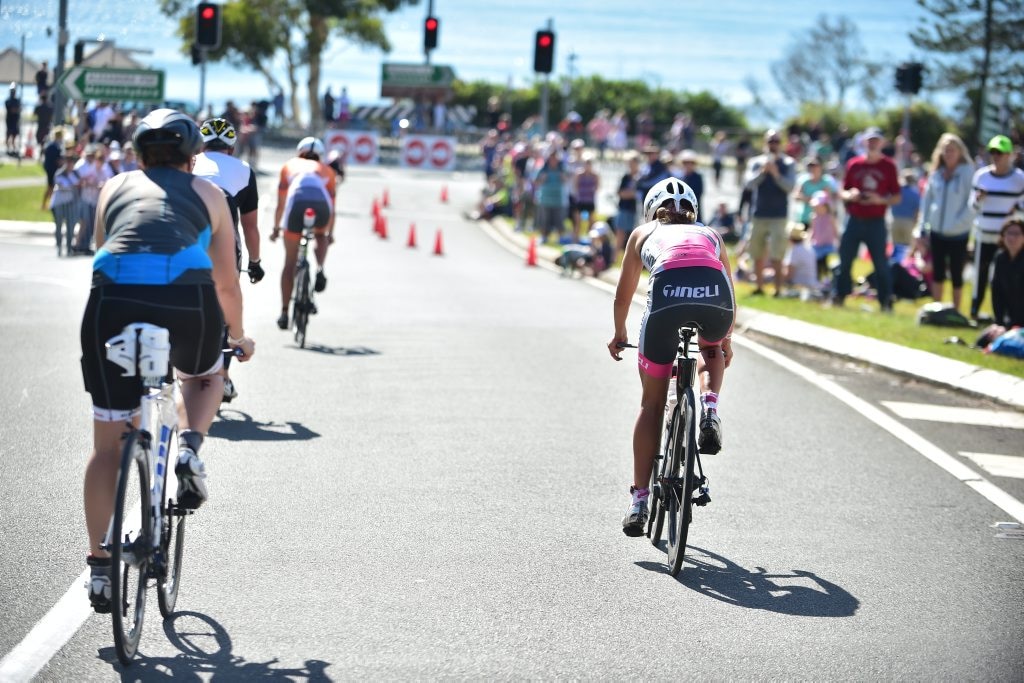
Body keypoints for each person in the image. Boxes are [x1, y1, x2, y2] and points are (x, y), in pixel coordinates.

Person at [80, 109, 255, 612]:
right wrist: (239, 338)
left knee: (107, 444)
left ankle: (98, 569)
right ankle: (188, 449)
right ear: (193, 155)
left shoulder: (114, 187)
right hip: (186, 301)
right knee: (203, 377)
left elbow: (103, 252)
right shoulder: (210, 195)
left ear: (138, 154)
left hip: (112, 304)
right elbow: (226, 283)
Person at [608, 178, 736, 536]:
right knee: (710, 349)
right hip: (716, 300)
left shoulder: (642, 233)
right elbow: (730, 287)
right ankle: (710, 408)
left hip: (667, 304)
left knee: (651, 405)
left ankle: (639, 501)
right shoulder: (711, 234)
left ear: (652, 210)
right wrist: (726, 339)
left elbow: (623, 296)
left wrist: (620, 334)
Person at [194, 117, 264, 402]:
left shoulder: (190, 163)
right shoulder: (244, 170)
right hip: (223, 239)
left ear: (202, 145)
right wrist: (256, 262)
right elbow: (250, 226)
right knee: (226, 301)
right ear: (232, 149)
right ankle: (222, 375)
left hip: (186, 236)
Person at [271, 137, 337, 330]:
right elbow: (333, 207)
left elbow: (282, 204)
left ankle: (284, 313)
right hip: (322, 206)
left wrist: (276, 229)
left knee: (290, 263)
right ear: (321, 155)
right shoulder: (328, 171)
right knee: (319, 235)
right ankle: (320, 269)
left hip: (296, 205)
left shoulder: (289, 165)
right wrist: (329, 233)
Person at [835, 127, 901, 311]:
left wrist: (880, 199)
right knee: (845, 259)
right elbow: (842, 191)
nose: (872, 144)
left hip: (876, 221)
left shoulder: (889, 166)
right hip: (854, 218)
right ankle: (839, 295)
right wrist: (851, 195)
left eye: (876, 140)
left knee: (881, 263)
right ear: (864, 142)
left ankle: (886, 301)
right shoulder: (854, 164)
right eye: (869, 140)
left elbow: (896, 196)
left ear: (882, 143)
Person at [917, 133, 974, 312]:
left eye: (952, 150)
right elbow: (927, 201)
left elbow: (971, 203)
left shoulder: (967, 172)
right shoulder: (936, 173)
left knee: (957, 273)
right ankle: (937, 309)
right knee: (938, 272)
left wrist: (959, 223)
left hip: (959, 233)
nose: (948, 153)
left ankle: (956, 311)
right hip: (937, 231)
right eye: (945, 150)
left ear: (959, 152)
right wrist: (923, 227)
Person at [970, 135, 1024, 320]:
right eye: (993, 152)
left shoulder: (1019, 178)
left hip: (1007, 240)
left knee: (1002, 277)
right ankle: (975, 312)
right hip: (984, 234)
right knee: (980, 277)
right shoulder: (981, 175)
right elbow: (972, 206)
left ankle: (1003, 316)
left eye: (1000, 152)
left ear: (1009, 154)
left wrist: (1015, 209)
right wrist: (979, 199)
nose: (996, 156)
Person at [744, 129, 796, 297]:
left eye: (776, 141)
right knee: (756, 253)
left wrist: (776, 174)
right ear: (765, 143)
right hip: (759, 214)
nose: (773, 145)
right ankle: (759, 287)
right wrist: (762, 172)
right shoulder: (755, 162)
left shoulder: (788, 163)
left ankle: (778, 289)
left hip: (779, 215)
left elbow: (790, 187)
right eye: (770, 141)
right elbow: (749, 184)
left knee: (777, 255)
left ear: (781, 144)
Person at [990, 217, 1024, 328]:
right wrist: (999, 321)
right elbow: (996, 291)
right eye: (1009, 233)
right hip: (1009, 318)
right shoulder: (1000, 258)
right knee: (983, 341)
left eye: (1017, 234)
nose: (1012, 237)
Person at [50, 150, 80, 256]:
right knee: (59, 226)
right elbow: (64, 185)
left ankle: (68, 248)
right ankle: (59, 246)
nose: (70, 164)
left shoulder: (75, 173)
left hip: (70, 203)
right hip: (59, 203)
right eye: (68, 161)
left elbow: (78, 184)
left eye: (72, 162)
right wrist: (72, 185)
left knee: (70, 226)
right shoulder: (59, 173)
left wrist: (72, 181)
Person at [889, 169, 921, 261]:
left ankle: (894, 266)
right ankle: (901, 267)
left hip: (895, 221)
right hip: (908, 222)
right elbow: (917, 210)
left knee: (896, 246)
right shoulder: (915, 193)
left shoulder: (897, 191)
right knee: (906, 248)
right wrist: (915, 222)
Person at [808, 191, 838, 285]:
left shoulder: (830, 217)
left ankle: (827, 280)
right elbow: (812, 230)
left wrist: (838, 240)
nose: (817, 208)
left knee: (826, 263)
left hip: (827, 245)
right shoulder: (813, 217)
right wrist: (809, 240)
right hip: (817, 245)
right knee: (817, 263)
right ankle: (818, 280)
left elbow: (835, 230)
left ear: (826, 206)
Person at [678, 149, 704, 223]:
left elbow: (699, 193)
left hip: (694, 209)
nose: (688, 165)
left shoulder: (698, 177)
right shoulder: (680, 177)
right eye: (685, 163)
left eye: (691, 163)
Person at [41, 128, 64, 209]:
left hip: (50, 169)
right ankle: (47, 204)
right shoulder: (55, 147)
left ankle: (47, 204)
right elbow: (57, 160)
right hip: (52, 170)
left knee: (51, 187)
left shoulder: (51, 145)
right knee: (51, 187)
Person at [5, 83, 21, 154]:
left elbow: (18, 109)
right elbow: (12, 110)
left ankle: (14, 149)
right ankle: (8, 149)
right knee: (8, 135)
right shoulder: (7, 101)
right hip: (9, 121)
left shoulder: (17, 100)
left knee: (14, 137)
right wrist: (16, 109)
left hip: (15, 121)